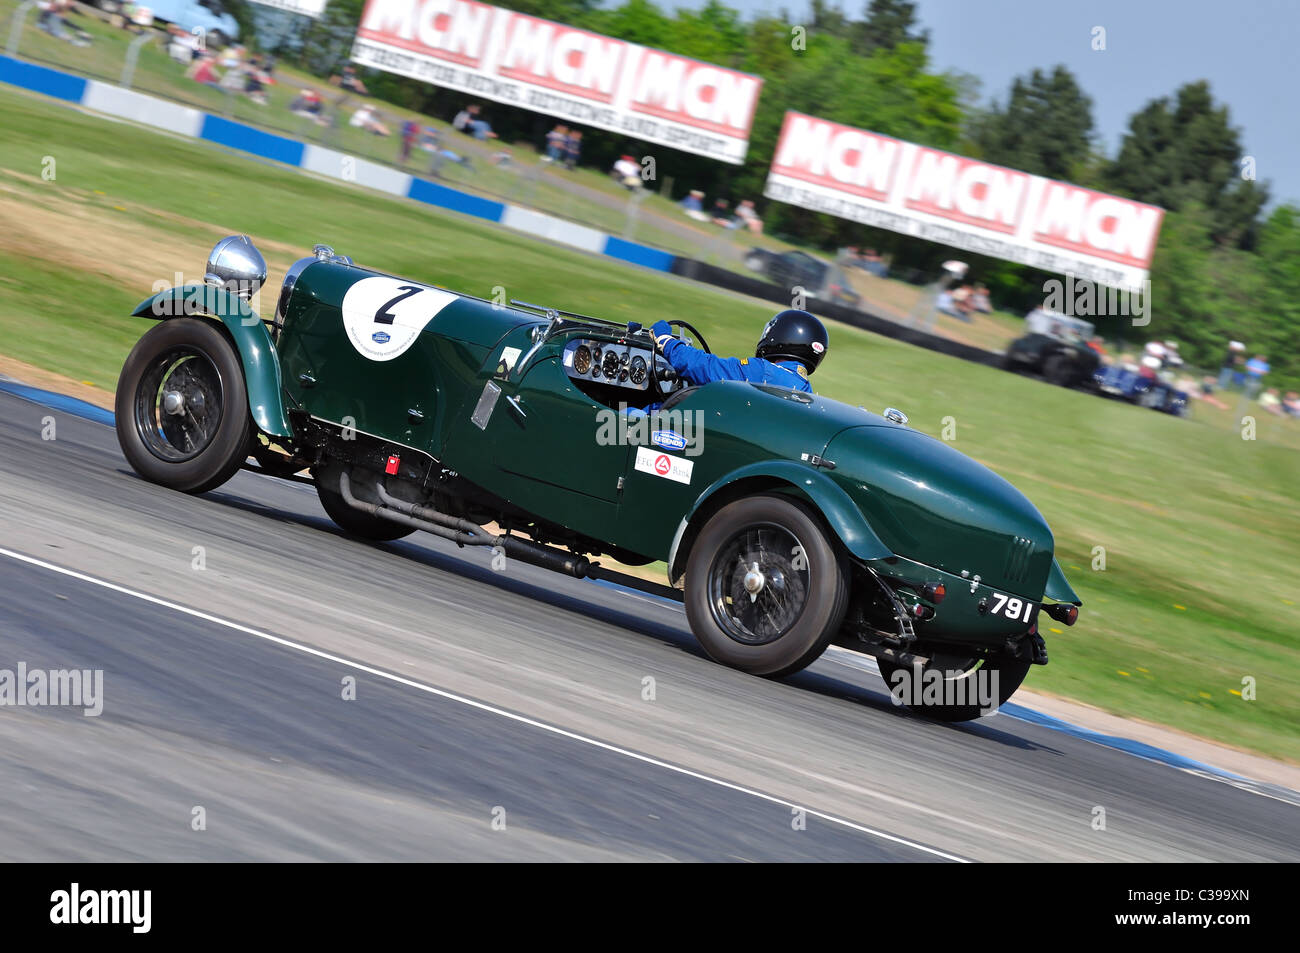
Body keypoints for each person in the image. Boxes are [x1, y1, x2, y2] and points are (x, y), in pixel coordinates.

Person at [650, 310, 828, 396]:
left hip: (709, 434)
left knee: (631, 415)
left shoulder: (762, 371)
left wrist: (667, 342)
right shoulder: (806, 391)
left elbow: (707, 368)